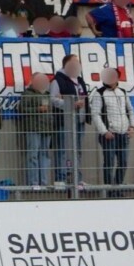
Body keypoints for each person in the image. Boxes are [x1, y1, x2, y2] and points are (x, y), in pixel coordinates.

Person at [89, 67, 134, 190]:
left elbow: (130, 110)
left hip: (123, 133)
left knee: (123, 162)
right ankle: (109, 190)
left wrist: (132, 127)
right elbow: (95, 114)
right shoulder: (99, 93)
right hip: (109, 135)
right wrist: (104, 132)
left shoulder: (123, 92)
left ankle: (117, 188)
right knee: (109, 163)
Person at [51, 54, 89, 187]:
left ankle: (77, 178)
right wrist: (70, 104)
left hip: (79, 120)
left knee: (77, 150)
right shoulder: (57, 80)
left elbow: (84, 97)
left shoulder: (80, 80)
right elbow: (53, 99)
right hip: (64, 121)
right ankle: (61, 178)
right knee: (62, 150)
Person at [20, 72, 54, 188]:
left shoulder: (48, 95)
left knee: (45, 155)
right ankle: (33, 182)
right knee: (33, 155)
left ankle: (44, 182)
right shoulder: (27, 94)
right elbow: (22, 109)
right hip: (33, 128)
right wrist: (37, 109)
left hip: (47, 128)